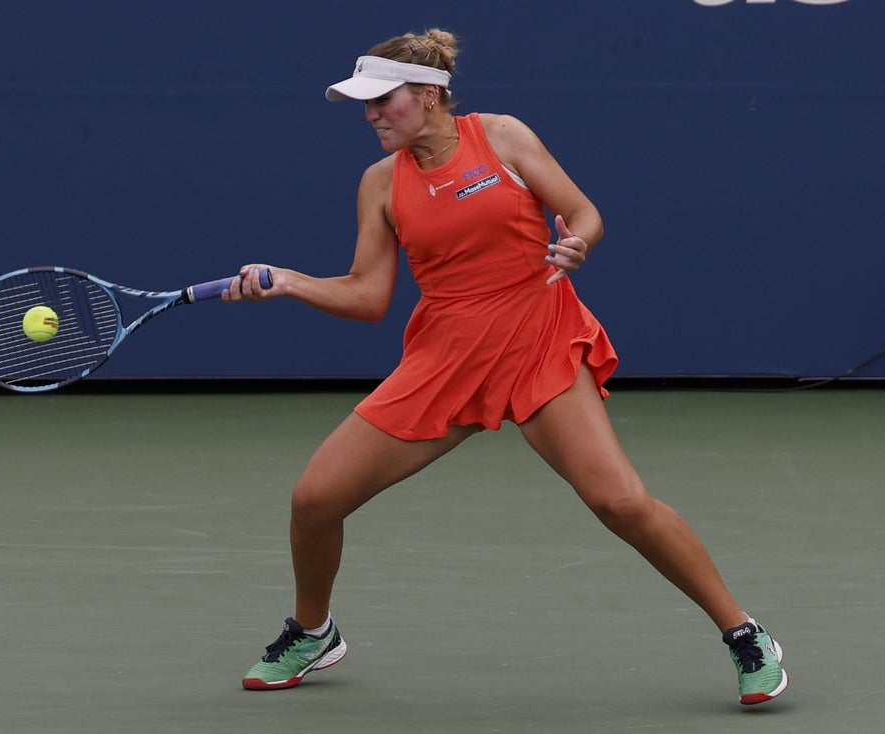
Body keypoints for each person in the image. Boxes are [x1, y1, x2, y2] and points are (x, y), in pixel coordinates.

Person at [224, 28, 788, 706]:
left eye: (383, 100)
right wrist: (290, 281)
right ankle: (313, 631)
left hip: (537, 339)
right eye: (364, 103)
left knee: (619, 501)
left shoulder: (503, 137)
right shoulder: (379, 184)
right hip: (446, 357)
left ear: (428, 95)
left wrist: (578, 243)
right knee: (315, 500)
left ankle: (743, 632)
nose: (370, 114)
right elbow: (368, 296)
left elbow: (582, 212)